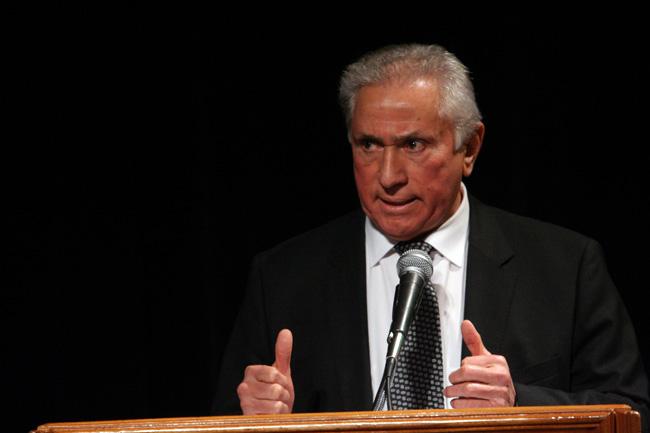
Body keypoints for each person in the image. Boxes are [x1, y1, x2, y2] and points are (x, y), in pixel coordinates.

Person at [211, 43, 649, 430]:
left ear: (469, 148)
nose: (388, 176)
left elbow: (632, 414)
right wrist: (258, 421)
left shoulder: (565, 267)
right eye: (368, 145)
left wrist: (519, 404)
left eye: (413, 145)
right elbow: (227, 419)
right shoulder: (283, 279)